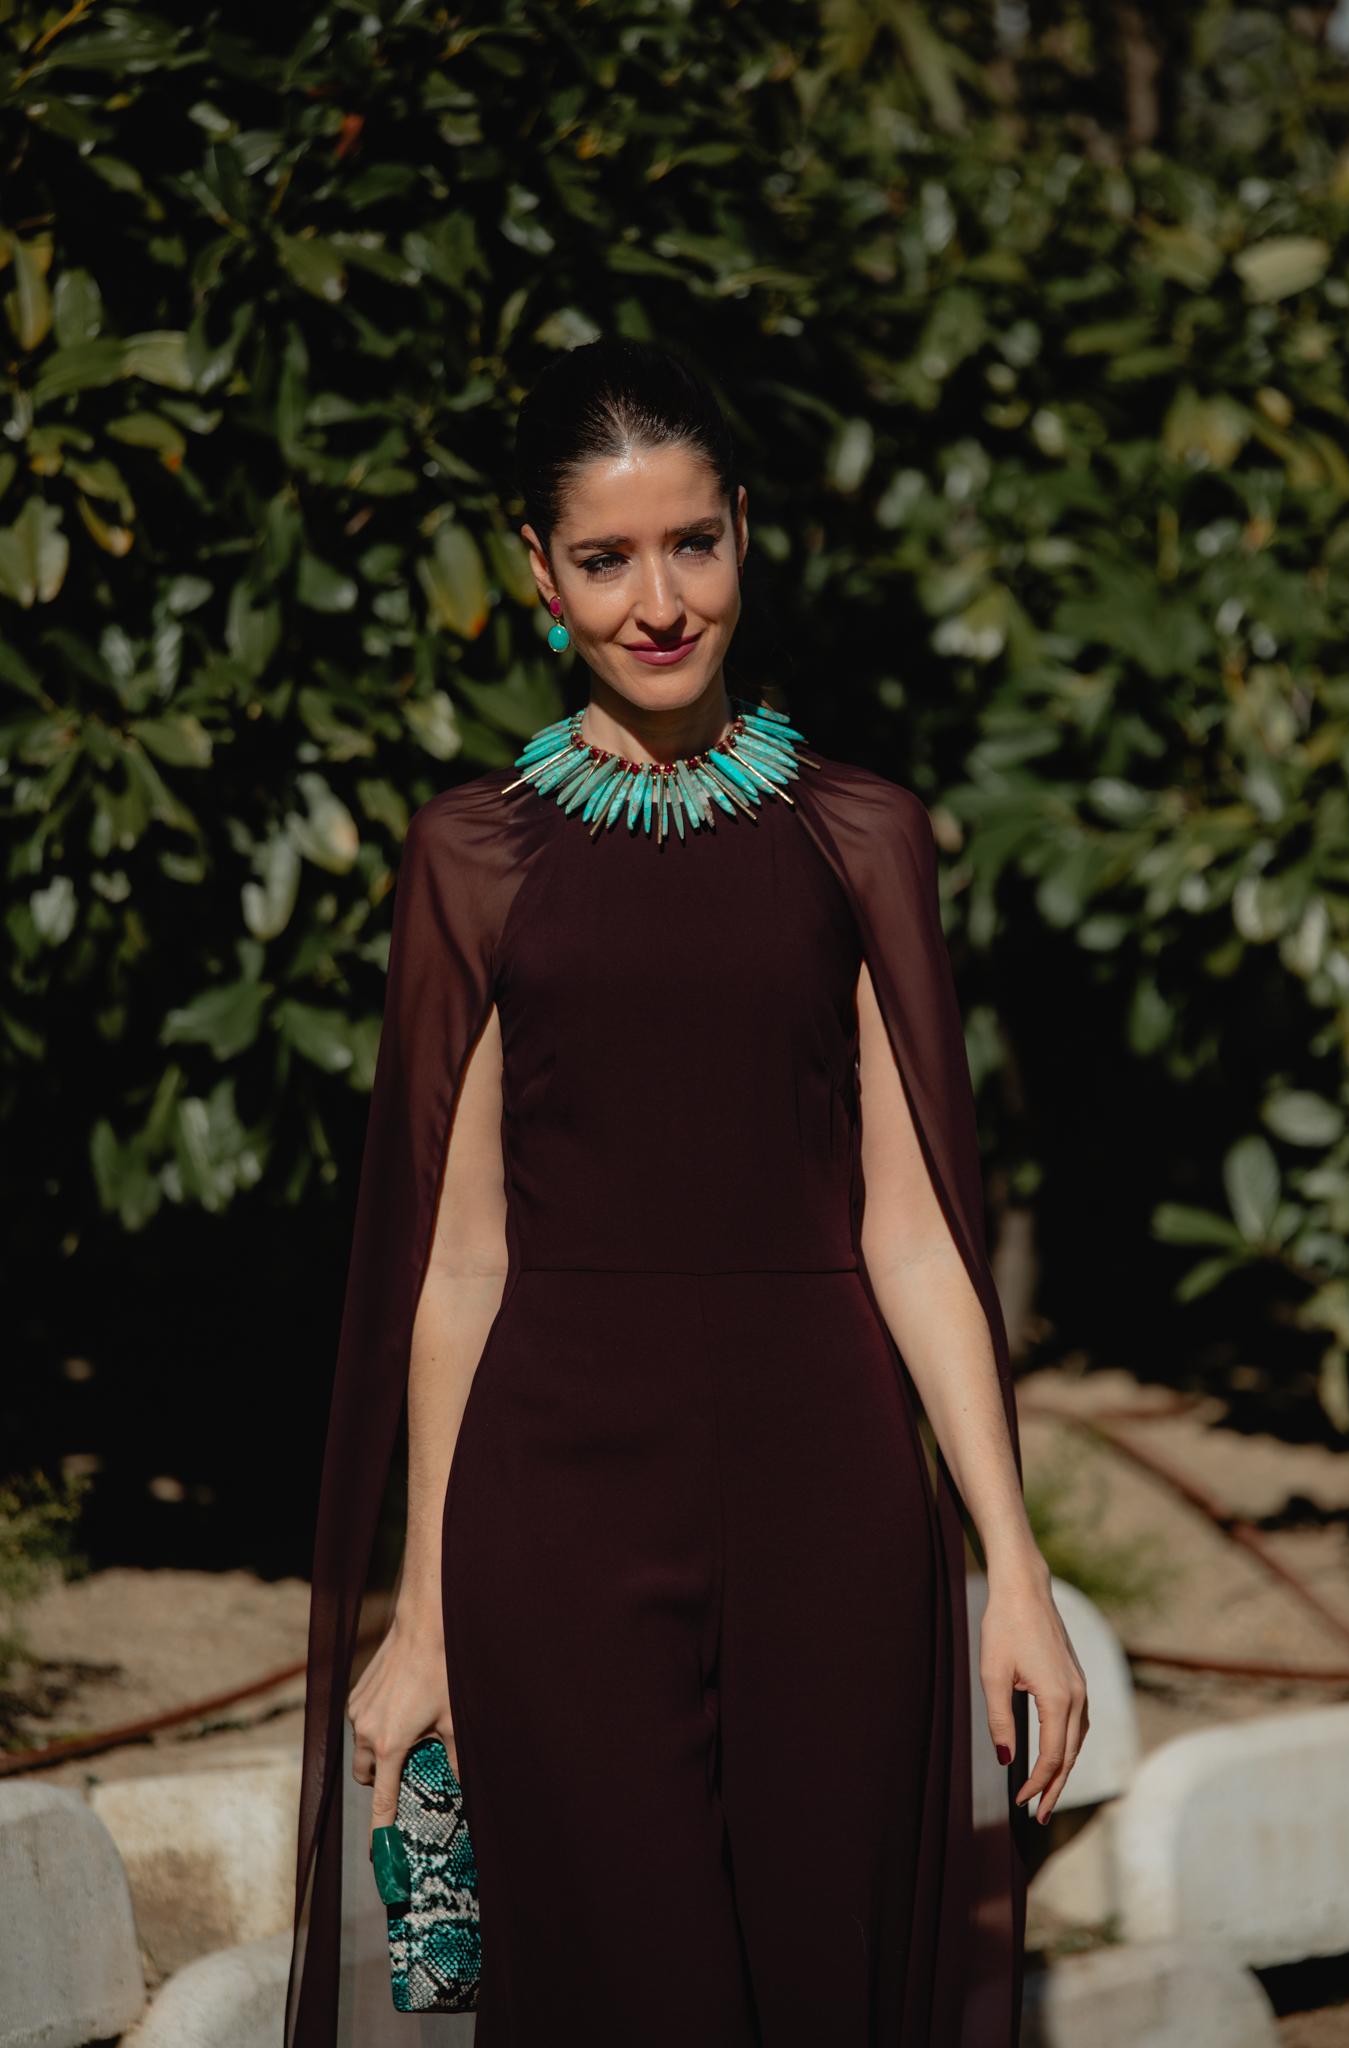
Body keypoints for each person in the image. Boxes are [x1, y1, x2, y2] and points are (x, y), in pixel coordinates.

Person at [289, 338, 1088, 2048]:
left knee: (826, 1994)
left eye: (693, 545)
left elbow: (910, 1232)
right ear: (537, 573)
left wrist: (1010, 1570)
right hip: (555, 1516)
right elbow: (460, 1262)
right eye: (605, 559)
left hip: (835, 1512)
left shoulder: (860, 838)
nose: (658, 603)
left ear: (743, 530)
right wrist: (423, 1613)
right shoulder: (473, 857)